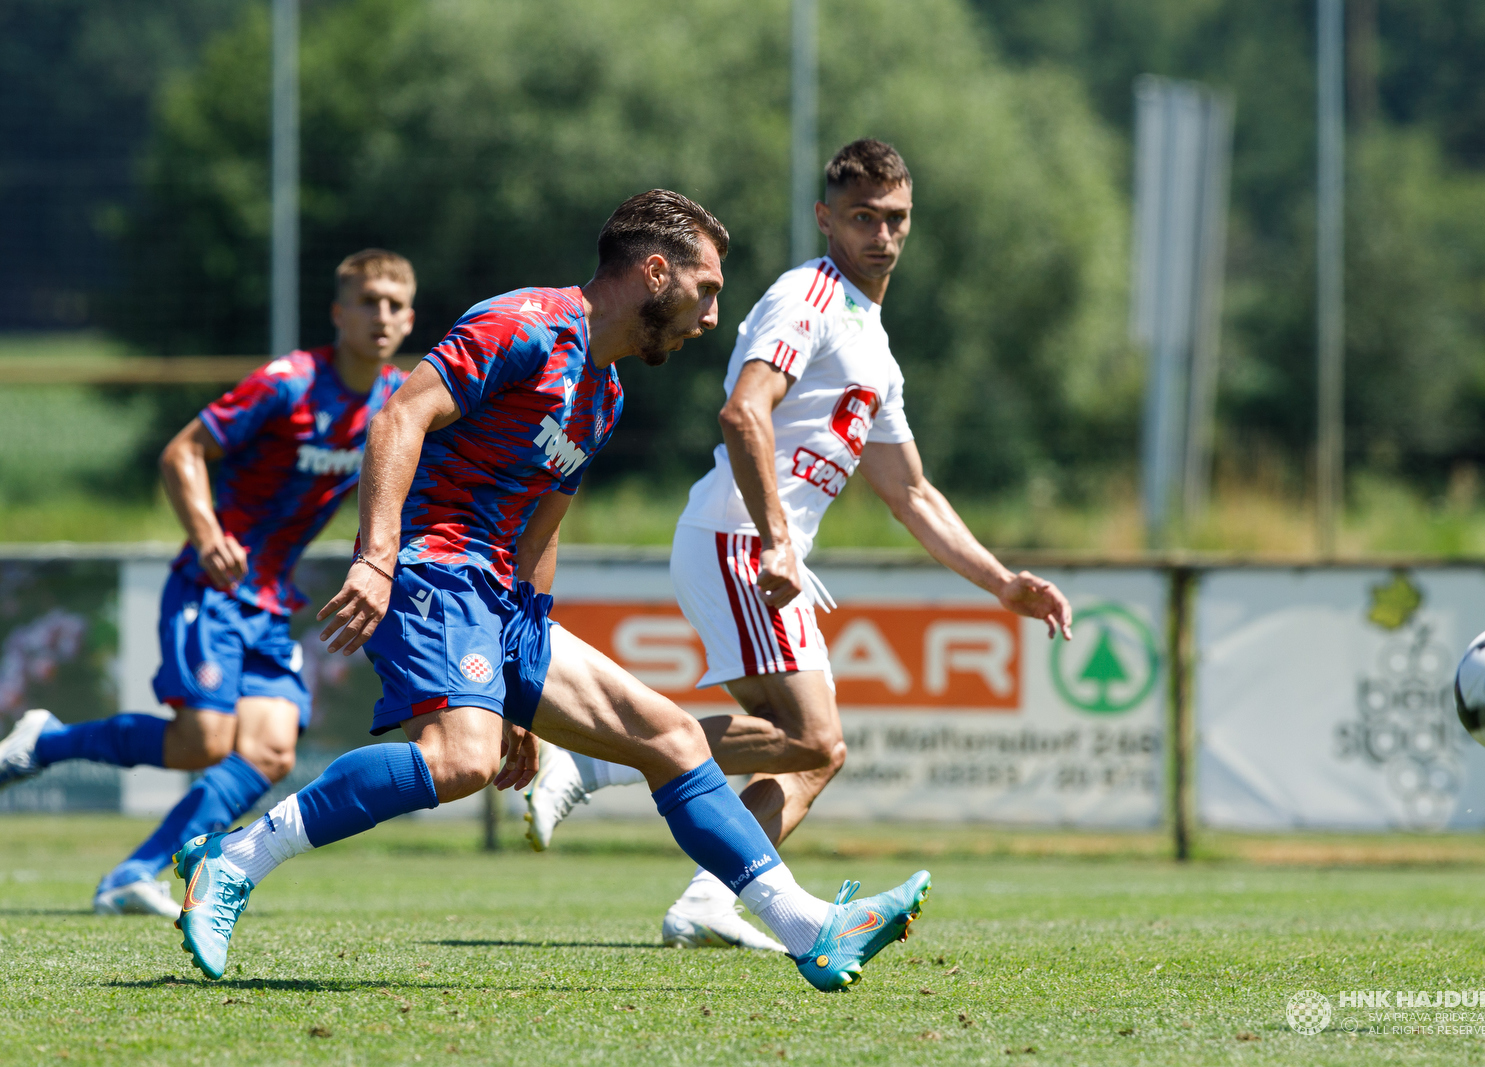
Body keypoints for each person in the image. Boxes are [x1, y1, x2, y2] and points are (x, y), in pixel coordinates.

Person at [168, 190, 930, 993]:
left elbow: (544, 529)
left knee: (672, 739)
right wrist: (378, 558)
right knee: (461, 760)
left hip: (502, 599)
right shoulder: (525, 324)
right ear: (655, 271)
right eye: (706, 291)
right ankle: (235, 857)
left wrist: (522, 690)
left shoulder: (603, 394)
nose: (710, 317)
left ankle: (811, 928)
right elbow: (400, 416)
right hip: (431, 565)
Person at [524, 141, 1068, 952]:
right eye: (863, 218)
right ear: (826, 219)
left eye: (896, 218)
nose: (882, 234)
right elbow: (744, 413)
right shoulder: (806, 297)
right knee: (813, 737)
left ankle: (709, 897)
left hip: (764, 548)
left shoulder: (875, 345)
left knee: (816, 752)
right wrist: (780, 543)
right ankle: (590, 762)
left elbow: (910, 491)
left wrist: (999, 582)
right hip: (741, 536)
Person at [0, 250, 415, 918]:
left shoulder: (395, 404)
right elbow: (183, 450)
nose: (382, 315)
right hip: (212, 585)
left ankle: (135, 872)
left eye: (395, 304)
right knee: (203, 740)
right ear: (339, 312)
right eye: (368, 301)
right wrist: (206, 532)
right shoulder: (289, 382)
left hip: (272, 602)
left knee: (272, 748)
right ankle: (45, 742)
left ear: (410, 317)